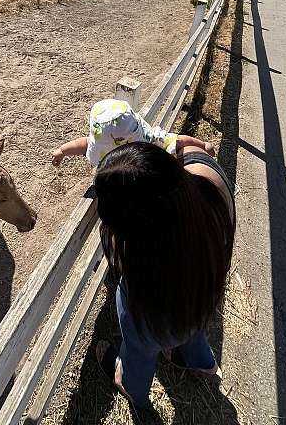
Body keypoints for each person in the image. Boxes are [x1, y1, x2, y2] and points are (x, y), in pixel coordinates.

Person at [93, 140, 235, 413]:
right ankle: (202, 362)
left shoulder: (141, 259)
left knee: (139, 351)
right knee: (193, 330)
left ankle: (131, 386)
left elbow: (124, 262)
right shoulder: (208, 197)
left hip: (156, 322)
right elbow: (188, 152)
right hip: (199, 300)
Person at [51, 97, 214, 168]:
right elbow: (179, 140)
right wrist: (202, 145)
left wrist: (62, 151)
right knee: (169, 140)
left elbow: (82, 144)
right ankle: (204, 146)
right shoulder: (149, 141)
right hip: (151, 175)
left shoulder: (103, 151)